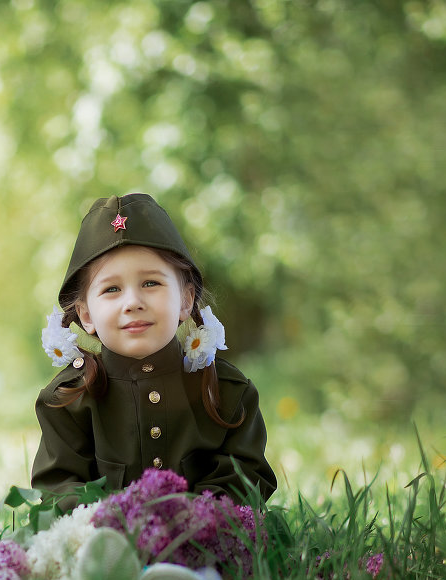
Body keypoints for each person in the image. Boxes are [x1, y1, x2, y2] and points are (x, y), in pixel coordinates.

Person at [32, 193, 276, 509]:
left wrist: (192, 522)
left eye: (150, 283)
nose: (132, 302)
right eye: (111, 289)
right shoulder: (68, 401)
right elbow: (58, 492)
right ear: (86, 315)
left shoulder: (227, 393)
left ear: (186, 300)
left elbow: (246, 481)